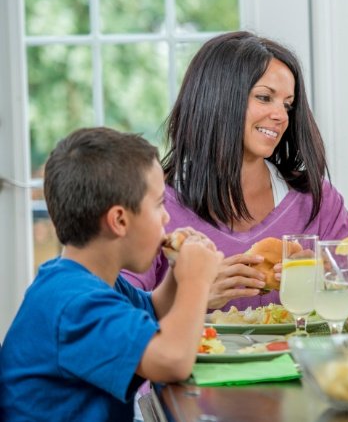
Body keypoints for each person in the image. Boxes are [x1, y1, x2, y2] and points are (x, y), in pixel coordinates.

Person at [0, 127, 221, 421]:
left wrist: (178, 273)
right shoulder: (74, 304)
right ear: (119, 220)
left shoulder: (88, 280)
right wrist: (197, 281)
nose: (167, 217)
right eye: (158, 205)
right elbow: (172, 360)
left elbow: (154, 310)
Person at [123, 31, 348, 310]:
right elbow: (114, 321)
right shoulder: (152, 204)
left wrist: (328, 284)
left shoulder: (319, 202)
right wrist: (193, 297)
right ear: (218, 98)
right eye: (265, 97)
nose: (281, 116)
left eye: (288, 104)